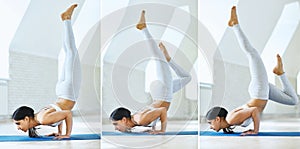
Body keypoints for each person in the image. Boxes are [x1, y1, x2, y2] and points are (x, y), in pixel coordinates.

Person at [206, 6, 299, 136]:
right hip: (262, 93)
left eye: (210, 123)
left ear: (217, 119)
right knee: (293, 101)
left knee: (252, 54)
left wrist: (255, 131)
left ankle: (235, 25)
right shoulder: (231, 120)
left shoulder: (231, 119)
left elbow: (254, 110)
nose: (210, 126)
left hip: (259, 92)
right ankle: (280, 74)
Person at [109, 10, 192, 134]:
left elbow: (162, 110)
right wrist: (152, 126)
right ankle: (167, 59)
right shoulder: (137, 120)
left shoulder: (141, 120)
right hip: (160, 93)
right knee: (187, 78)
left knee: (158, 58)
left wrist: (161, 130)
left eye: (116, 124)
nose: (116, 128)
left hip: (163, 93)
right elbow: (153, 114)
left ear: (124, 120)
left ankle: (144, 30)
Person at [12, 4, 81, 139]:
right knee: (69, 54)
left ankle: (66, 20)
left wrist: (67, 135)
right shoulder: (40, 116)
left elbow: (67, 113)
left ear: (27, 119)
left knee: (71, 53)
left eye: (18, 123)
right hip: (62, 91)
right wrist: (60, 133)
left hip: (68, 92)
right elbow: (61, 115)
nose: (18, 128)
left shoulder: (43, 119)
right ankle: (66, 20)